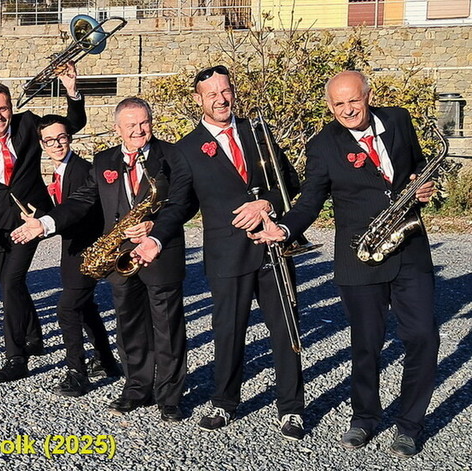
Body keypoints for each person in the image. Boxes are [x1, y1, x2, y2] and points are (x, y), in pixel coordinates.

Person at [249, 71, 438, 457]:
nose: (348, 110)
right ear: (330, 106)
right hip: (359, 257)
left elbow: (418, 165)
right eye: (338, 104)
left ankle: (409, 426)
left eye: (354, 100)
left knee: (423, 337)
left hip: (410, 249)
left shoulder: (399, 119)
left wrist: (423, 185)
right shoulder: (323, 145)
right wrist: (284, 229)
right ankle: (364, 418)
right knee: (366, 345)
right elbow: (310, 199)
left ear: (368, 95)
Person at [133, 66, 305, 439]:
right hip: (227, 255)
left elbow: (289, 181)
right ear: (199, 99)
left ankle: (291, 408)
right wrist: (156, 238)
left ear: (233, 91)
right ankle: (225, 402)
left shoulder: (257, 131)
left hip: (272, 246)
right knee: (228, 332)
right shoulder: (186, 149)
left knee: (285, 329)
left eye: (225, 91)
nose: (221, 99)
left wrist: (267, 204)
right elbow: (179, 205)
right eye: (211, 94)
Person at [13, 99, 188, 421]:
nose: (139, 130)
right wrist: (46, 223)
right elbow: (82, 199)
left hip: (160, 252)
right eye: (131, 125)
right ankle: (137, 388)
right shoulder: (105, 160)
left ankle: (170, 397)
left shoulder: (173, 155)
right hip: (120, 256)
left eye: (144, 122)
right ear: (117, 128)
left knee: (167, 327)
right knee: (129, 326)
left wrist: (155, 228)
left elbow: (182, 202)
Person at [0, 64, 86, 383]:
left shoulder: (28, 125)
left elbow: (72, 126)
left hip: (31, 220)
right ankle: (35, 336)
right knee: (7, 279)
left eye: (4, 108)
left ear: (11, 107)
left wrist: (72, 91)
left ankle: (16, 357)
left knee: (11, 281)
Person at [7, 113, 120, 397]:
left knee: (68, 309)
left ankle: (77, 374)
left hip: (85, 248)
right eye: (49, 140)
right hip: (74, 247)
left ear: (69, 138)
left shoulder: (80, 170)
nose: (57, 144)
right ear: (42, 144)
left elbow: (79, 211)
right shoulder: (62, 169)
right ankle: (106, 362)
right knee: (86, 307)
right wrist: (40, 220)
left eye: (61, 138)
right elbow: (65, 212)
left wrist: (44, 226)